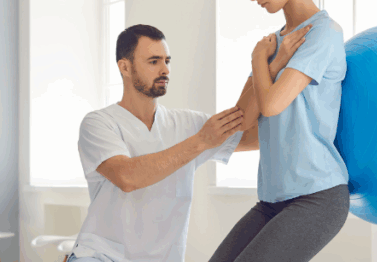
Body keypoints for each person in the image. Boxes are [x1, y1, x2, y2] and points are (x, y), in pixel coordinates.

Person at [68, 23, 308, 262]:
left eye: (167, 61)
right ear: (125, 67)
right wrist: (201, 141)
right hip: (101, 256)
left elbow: (245, 130)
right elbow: (127, 178)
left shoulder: (187, 123)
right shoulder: (99, 123)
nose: (165, 70)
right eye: (153, 61)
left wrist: (270, 67)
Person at [209, 0, 350, 262]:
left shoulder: (323, 35)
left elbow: (271, 105)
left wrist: (259, 61)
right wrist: (271, 66)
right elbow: (243, 119)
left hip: (318, 196)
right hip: (273, 200)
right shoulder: (276, 43)